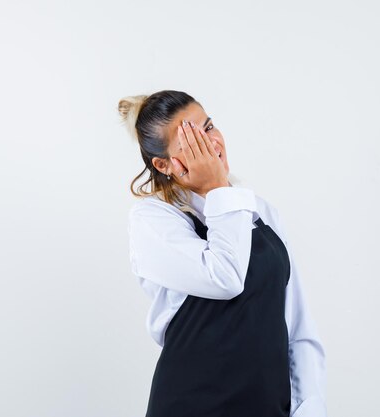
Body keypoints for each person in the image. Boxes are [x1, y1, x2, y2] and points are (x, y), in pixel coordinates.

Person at [119, 90, 327, 417]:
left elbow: (297, 327)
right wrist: (217, 188)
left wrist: (310, 407)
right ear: (163, 164)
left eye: (209, 127)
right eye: (191, 141)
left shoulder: (260, 212)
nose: (211, 144)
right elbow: (225, 277)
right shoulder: (153, 220)